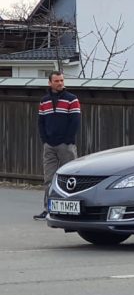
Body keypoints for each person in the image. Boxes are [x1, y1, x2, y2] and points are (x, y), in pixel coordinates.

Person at [34, 71, 81, 220]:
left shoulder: (72, 99)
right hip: (49, 145)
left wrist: (67, 139)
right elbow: (41, 122)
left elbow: (75, 121)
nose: (60, 83)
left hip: (65, 145)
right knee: (49, 178)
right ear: (50, 83)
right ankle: (48, 209)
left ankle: (73, 209)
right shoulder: (44, 101)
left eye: (61, 80)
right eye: (56, 81)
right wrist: (45, 140)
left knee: (71, 178)